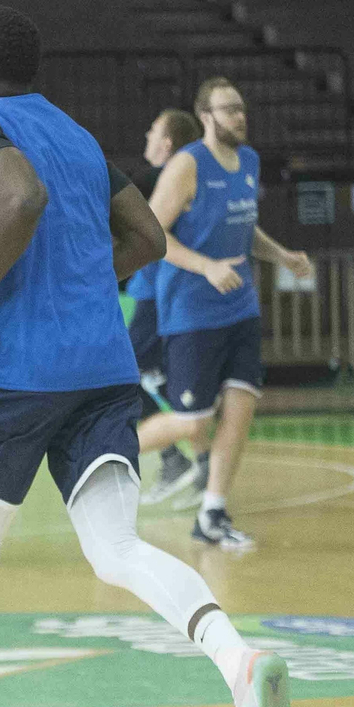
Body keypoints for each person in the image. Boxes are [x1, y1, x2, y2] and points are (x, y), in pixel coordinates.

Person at [0, 6, 295, 707]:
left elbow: (20, 198)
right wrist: (84, 280)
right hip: (103, 363)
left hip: (20, 368)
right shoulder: (79, 135)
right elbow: (149, 238)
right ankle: (237, 660)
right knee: (115, 548)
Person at [138, 77, 313, 551]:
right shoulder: (187, 165)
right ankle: (105, 454)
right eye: (229, 109)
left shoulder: (250, 162)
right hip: (192, 313)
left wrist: (283, 257)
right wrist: (205, 266)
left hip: (241, 308)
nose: (240, 116)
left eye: (242, 108)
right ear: (206, 117)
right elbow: (151, 234)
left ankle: (212, 513)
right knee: (195, 422)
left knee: (241, 405)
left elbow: (244, 227)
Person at [128, 109, 210, 506]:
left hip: (161, 294)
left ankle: (179, 458)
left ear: (167, 144)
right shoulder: (167, 182)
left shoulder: (168, 180)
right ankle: (200, 462)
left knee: (126, 375)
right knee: (159, 379)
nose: (145, 134)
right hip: (154, 291)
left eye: (153, 130)